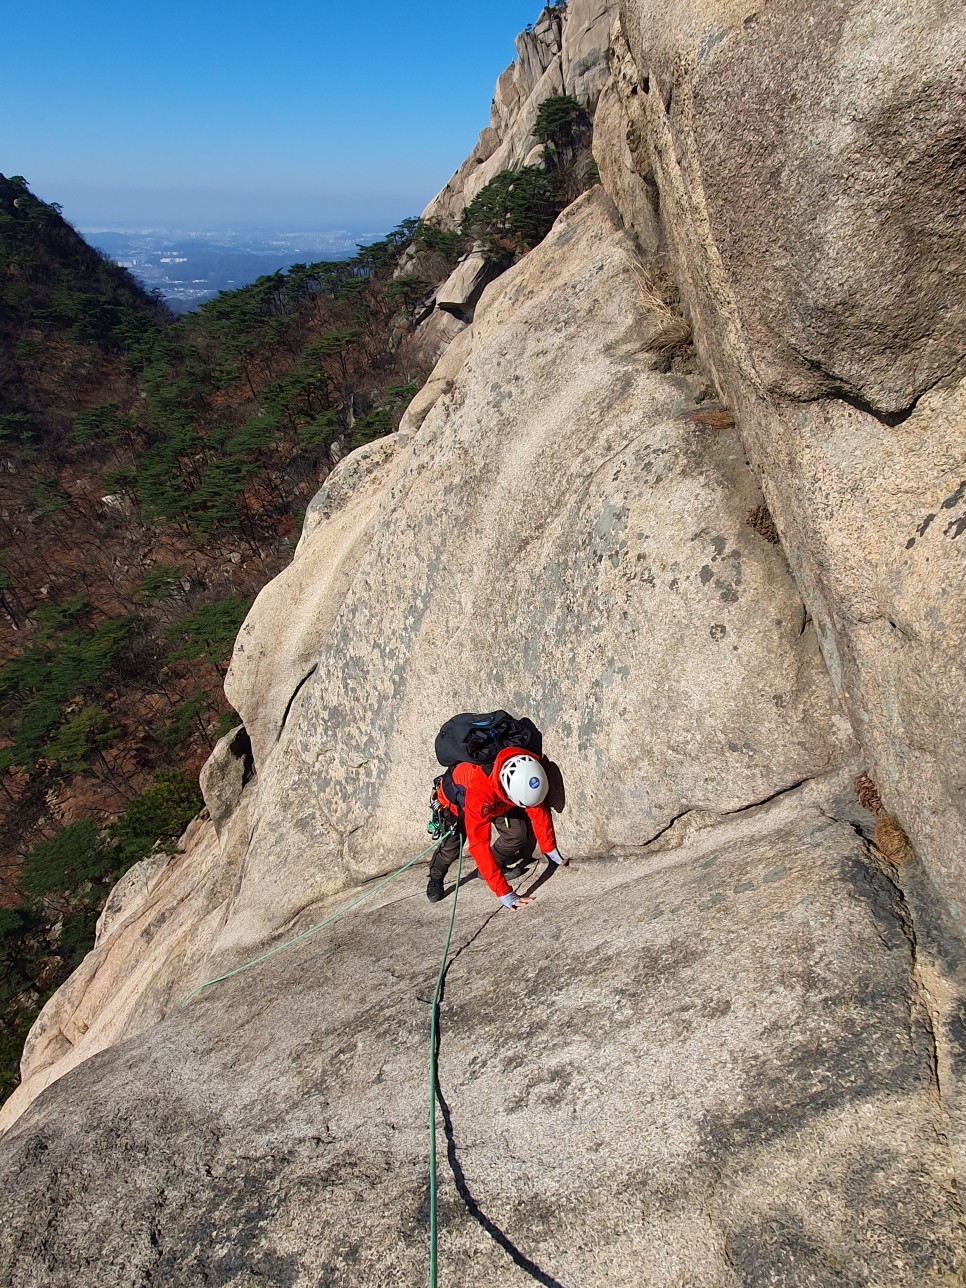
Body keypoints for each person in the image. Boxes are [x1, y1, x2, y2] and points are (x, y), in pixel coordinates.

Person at [427, 746, 568, 910]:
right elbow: (479, 846)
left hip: (497, 798)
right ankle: (435, 877)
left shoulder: (524, 766)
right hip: (457, 800)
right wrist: (504, 893)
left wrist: (549, 850)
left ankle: (489, 867)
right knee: (451, 849)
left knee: (516, 834)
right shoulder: (480, 795)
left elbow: (535, 805)